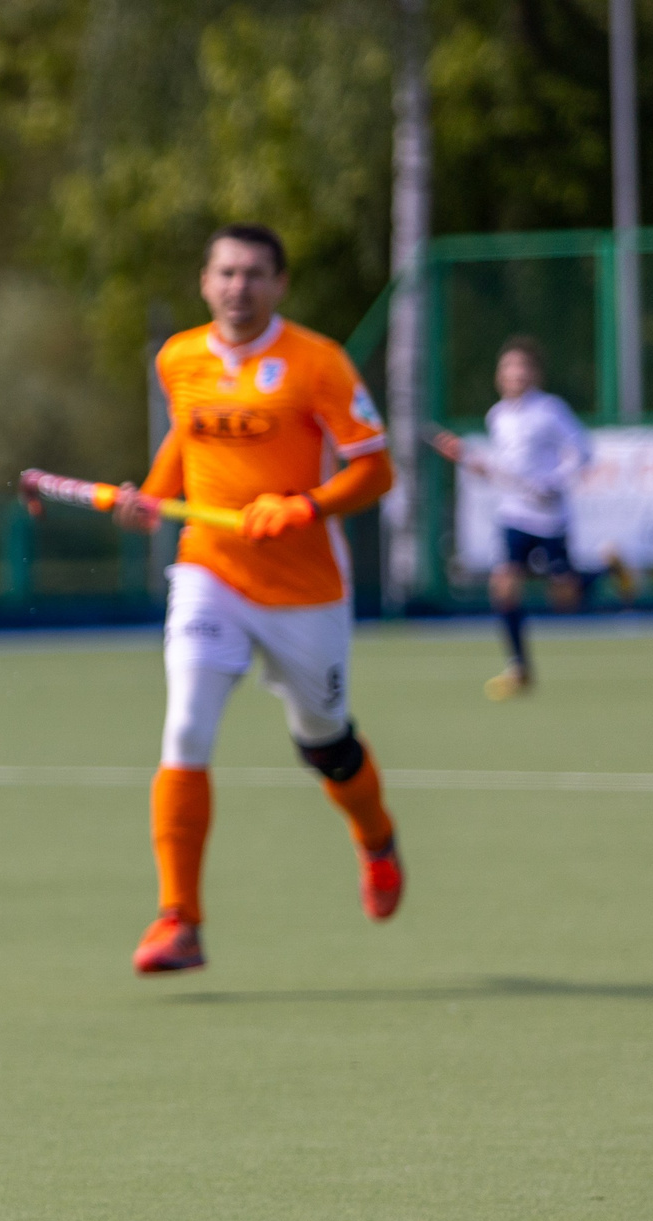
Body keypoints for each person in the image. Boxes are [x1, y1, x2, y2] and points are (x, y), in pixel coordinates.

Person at [115, 224, 403, 975]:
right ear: (205, 281)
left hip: (305, 590)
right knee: (185, 729)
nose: (238, 287)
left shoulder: (318, 363)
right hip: (210, 571)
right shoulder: (178, 358)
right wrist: (154, 495)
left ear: (278, 285)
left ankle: (375, 837)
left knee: (326, 740)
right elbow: (187, 436)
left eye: (254, 275)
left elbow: (375, 471)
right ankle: (179, 918)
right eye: (226, 273)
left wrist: (305, 506)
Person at [428, 336, 598, 699]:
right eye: (508, 368)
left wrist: (555, 482)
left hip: (550, 515)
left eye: (521, 368)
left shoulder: (550, 410)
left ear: (535, 374)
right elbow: (499, 468)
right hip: (514, 514)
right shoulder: (497, 416)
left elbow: (582, 450)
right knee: (504, 586)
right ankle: (519, 668)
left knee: (565, 598)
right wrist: (475, 465)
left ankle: (608, 567)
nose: (514, 374)